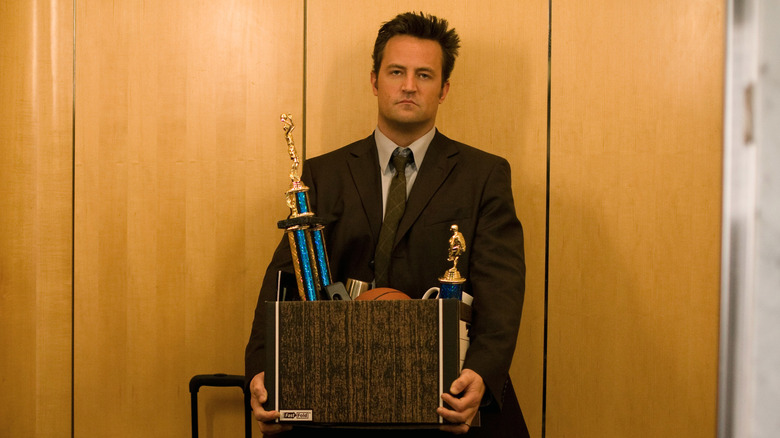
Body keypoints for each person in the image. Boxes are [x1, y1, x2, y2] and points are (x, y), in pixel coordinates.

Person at [245, 12, 528, 437]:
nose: (409, 85)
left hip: (442, 393)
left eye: (425, 75)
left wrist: (483, 374)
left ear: (444, 89)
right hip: (338, 392)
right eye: (397, 72)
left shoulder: (483, 175)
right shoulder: (323, 174)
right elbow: (284, 279)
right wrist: (262, 372)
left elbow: (502, 289)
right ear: (375, 80)